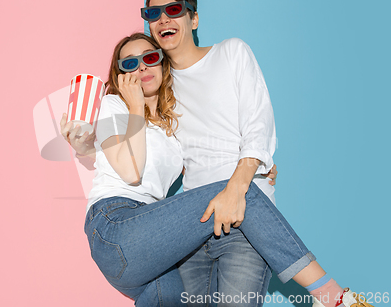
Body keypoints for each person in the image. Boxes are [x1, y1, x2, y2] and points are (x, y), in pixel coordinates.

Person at [61, 33, 373, 307]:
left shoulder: (172, 132)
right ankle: (333, 296)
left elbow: (206, 156)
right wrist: (131, 109)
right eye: (129, 64)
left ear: (162, 65)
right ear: (119, 75)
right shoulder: (113, 105)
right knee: (238, 190)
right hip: (115, 227)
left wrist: (262, 167)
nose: (141, 67)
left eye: (150, 57)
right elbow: (131, 173)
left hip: (152, 249)